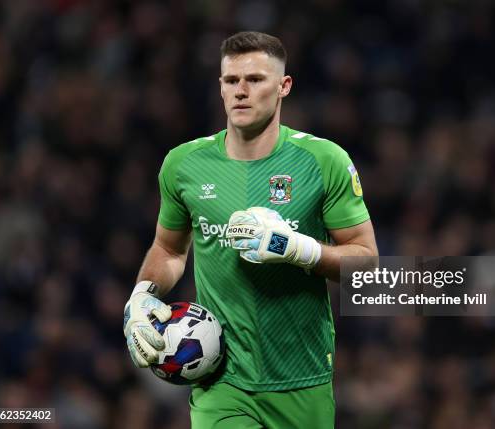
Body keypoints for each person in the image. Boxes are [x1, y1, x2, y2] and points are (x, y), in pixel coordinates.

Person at [123, 31, 378, 428]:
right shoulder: (183, 165)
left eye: (255, 80)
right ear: (220, 87)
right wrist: (141, 297)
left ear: (283, 86)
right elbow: (169, 250)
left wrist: (297, 249)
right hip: (222, 382)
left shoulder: (323, 161)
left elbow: (366, 264)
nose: (241, 91)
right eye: (231, 81)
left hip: (302, 378)